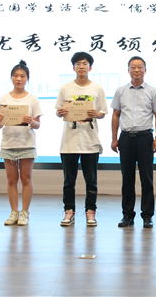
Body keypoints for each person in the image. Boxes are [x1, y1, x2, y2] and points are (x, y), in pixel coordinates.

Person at [55, 52, 107, 227]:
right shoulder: (65, 88)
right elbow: (58, 111)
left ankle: (90, 211)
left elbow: (103, 112)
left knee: (91, 181)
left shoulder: (97, 88)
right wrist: (61, 112)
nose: (81, 66)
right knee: (68, 181)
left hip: (89, 141)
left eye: (85, 63)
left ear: (90, 67)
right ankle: (69, 211)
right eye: (78, 63)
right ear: (73, 67)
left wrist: (96, 114)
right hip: (69, 141)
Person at [111, 56, 156, 228]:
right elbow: (116, 115)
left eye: (140, 67)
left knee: (146, 178)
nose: (136, 70)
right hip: (126, 138)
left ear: (145, 70)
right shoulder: (121, 91)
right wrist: (114, 138)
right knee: (127, 179)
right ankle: (127, 215)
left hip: (145, 138)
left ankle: (147, 216)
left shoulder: (152, 91)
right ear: (128, 71)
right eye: (133, 67)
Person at [0, 60, 42, 226]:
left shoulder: (32, 99)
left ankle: (25, 213)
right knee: (11, 180)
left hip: (26, 143)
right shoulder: (4, 98)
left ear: (27, 78)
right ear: (11, 78)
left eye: (22, 76)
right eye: (15, 76)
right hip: (8, 143)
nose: (19, 79)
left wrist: (31, 121)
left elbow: (37, 124)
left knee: (26, 179)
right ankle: (14, 212)